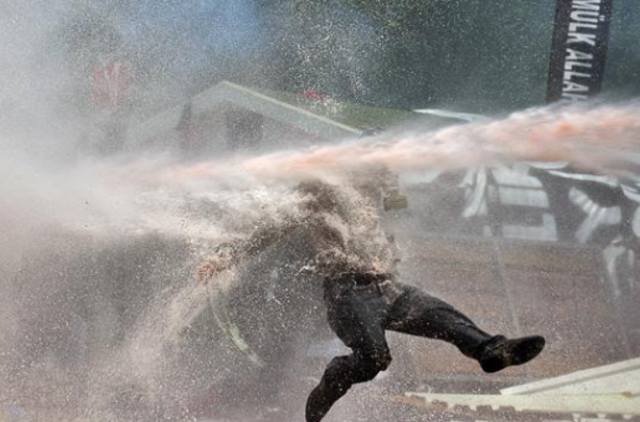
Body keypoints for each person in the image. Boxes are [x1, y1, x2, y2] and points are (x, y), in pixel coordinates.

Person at [197, 174, 545, 422]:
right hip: (348, 293)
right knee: (376, 358)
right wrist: (229, 254)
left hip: (390, 289)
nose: (384, 181)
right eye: (379, 171)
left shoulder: (376, 202)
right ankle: (335, 377)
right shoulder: (323, 188)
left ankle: (492, 351)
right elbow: (276, 224)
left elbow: (403, 212)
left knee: (445, 318)